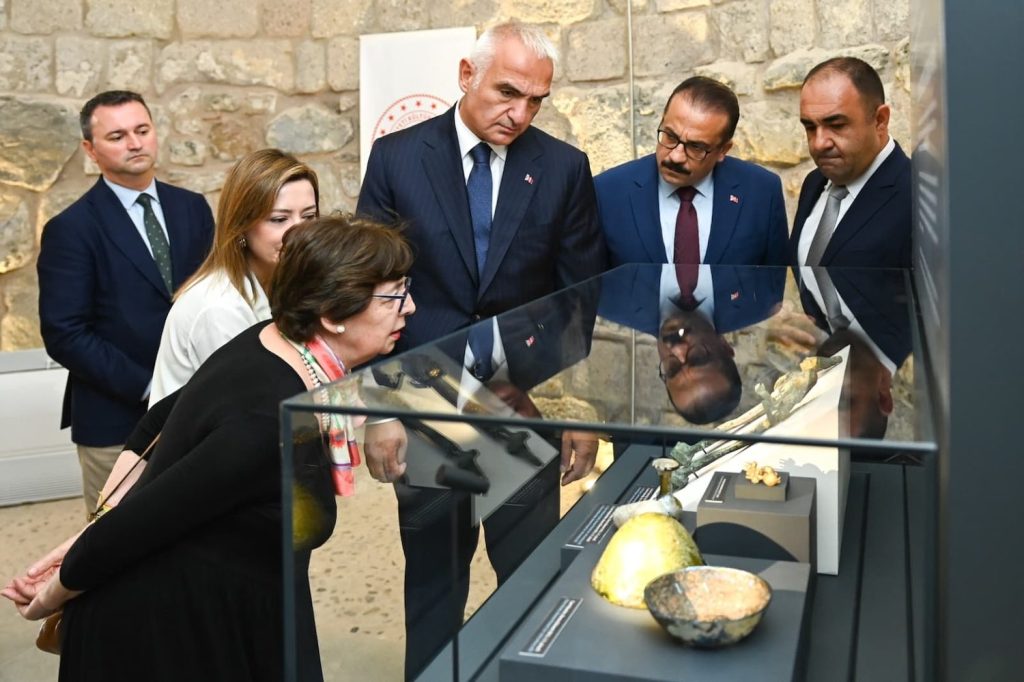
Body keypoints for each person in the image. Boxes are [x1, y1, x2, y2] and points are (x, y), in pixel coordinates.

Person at [3, 216, 416, 682]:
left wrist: (99, 522)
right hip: (167, 635)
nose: (410, 307)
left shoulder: (270, 341)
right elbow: (144, 522)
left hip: (230, 609)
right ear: (332, 314)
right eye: (393, 296)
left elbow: (158, 421)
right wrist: (54, 590)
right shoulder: (267, 426)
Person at [356, 21, 606, 678]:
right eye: (507, 92)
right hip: (423, 401)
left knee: (534, 584)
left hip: (516, 403)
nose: (519, 114)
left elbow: (577, 297)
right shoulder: (397, 158)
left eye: (536, 101)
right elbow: (368, 292)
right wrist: (379, 409)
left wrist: (565, 404)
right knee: (434, 588)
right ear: (467, 75)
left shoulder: (562, 168)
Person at [37, 90, 214, 515]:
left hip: (198, 410)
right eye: (117, 136)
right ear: (90, 149)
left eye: (142, 130)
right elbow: (64, 332)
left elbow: (212, 294)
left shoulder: (192, 208)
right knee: (114, 539)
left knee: (194, 530)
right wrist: (150, 386)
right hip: (116, 419)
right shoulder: (71, 228)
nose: (135, 143)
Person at [150, 149, 319, 404]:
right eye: (279, 219)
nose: (299, 232)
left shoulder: (288, 284)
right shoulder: (218, 307)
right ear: (242, 226)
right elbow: (255, 402)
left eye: (309, 216)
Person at [595, 76, 788, 267]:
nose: (676, 156)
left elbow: (773, 281)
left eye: (696, 147)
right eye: (670, 136)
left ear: (723, 150)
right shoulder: (607, 192)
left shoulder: (762, 192)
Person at [599, 263, 785, 424]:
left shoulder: (608, 298)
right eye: (697, 357)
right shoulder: (761, 291)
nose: (677, 349)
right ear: (724, 346)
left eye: (672, 369)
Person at [791, 57, 912, 267]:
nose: (819, 143)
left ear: (880, 120)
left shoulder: (915, 196)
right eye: (810, 127)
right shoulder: (814, 183)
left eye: (837, 125)